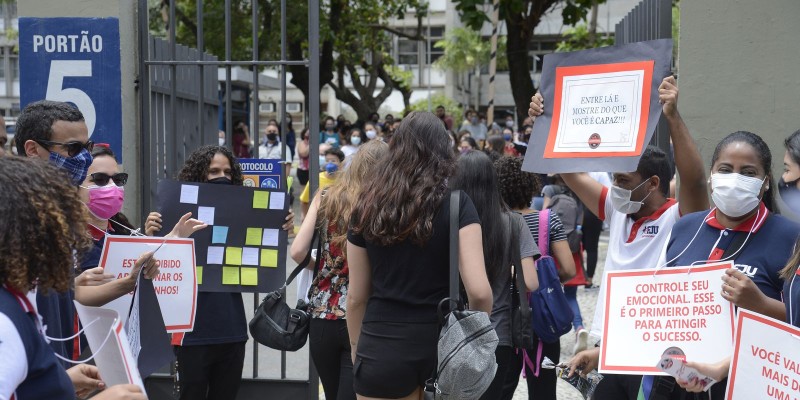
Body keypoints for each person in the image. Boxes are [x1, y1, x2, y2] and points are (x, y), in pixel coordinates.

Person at [532, 76, 710, 400]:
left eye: (623, 180)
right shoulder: (617, 210)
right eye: (614, 179)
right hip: (611, 352)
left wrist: (672, 115)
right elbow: (569, 172)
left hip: (653, 359)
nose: (615, 187)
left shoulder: (679, 218)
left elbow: (696, 182)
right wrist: (543, 120)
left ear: (653, 183)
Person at [346, 111, 493, 400]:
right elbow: (479, 292)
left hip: (380, 345)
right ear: (444, 150)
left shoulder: (365, 207)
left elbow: (356, 297)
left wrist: (357, 348)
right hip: (441, 349)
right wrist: (473, 343)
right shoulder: (457, 205)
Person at [643, 131, 798, 399]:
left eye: (748, 173)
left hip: (746, 385)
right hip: (673, 382)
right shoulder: (686, 227)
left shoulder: (790, 238)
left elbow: (796, 324)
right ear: (712, 176)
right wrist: (605, 351)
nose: (735, 179)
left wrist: (760, 304)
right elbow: (656, 307)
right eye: (726, 169)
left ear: (764, 183)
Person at [144, 145, 294, 400]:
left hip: (231, 330)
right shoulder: (172, 215)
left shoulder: (242, 213)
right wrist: (150, 237)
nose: (221, 176)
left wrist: (281, 223)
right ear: (197, 175)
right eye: (213, 171)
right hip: (190, 333)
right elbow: (151, 272)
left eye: (226, 171)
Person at [0, 156, 146, 399]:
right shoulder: (5, 322)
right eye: (59, 224)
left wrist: (59, 382)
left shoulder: (17, 298)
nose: (69, 238)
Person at [290, 140, 388, 400]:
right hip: (363, 315)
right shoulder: (380, 206)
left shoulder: (324, 198)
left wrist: (322, 266)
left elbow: (297, 252)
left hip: (321, 316)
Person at [450, 151, 540, 400]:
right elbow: (531, 282)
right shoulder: (513, 223)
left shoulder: (447, 221)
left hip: (450, 332)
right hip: (497, 335)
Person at [15, 100, 95, 362]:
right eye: (73, 148)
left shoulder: (61, 214)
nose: (85, 158)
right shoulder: (14, 217)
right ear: (32, 149)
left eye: (87, 147)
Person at [494, 155, 576, 400]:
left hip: (504, 321)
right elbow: (569, 270)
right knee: (543, 392)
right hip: (542, 320)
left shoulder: (494, 224)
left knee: (500, 389)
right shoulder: (547, 219)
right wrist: (547, 280)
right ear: (530, 184)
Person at [583, 172, 612, 288]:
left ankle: (578, 278)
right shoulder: (601, 173)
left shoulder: (579, 169)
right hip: (593, 211)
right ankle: (589, 279)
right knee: (592, 247)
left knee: (576, 244)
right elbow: (608, 193)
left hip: (577, 209)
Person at [300, 148, 345, 217]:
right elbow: (304, 200)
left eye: (333, 161)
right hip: (319, 219)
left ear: (341, 163)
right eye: (327, 160)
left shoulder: (345, 179)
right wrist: (305, 217)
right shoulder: (316, 178)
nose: (329, 163)